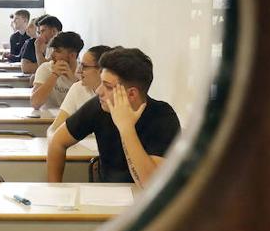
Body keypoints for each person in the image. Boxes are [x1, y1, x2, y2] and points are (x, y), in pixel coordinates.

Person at [46, 47, 180, 187]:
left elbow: (149, 184)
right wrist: (55, 189)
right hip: (107, 198)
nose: (98, 91)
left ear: (132, 94)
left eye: (107, 86)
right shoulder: (100, 106)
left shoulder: (163, 117)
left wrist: (126, 128)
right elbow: (57, 142)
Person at [47, 44, 113, 154]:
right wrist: (57, 142)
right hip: (79, 154)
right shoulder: (78, 89)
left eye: (84, 67)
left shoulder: (118, 94)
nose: (78, 71)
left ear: (101, 70)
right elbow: (54, 129)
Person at [30, 30, 84, 110]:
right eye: (53, 50)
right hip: (46, 119)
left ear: (72, 55)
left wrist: (74, 80)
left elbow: (89, 105)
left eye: (57, 51)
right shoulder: (45, 68)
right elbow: (35, 103)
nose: (52, 55)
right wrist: (54, 75)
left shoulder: (84, 72)